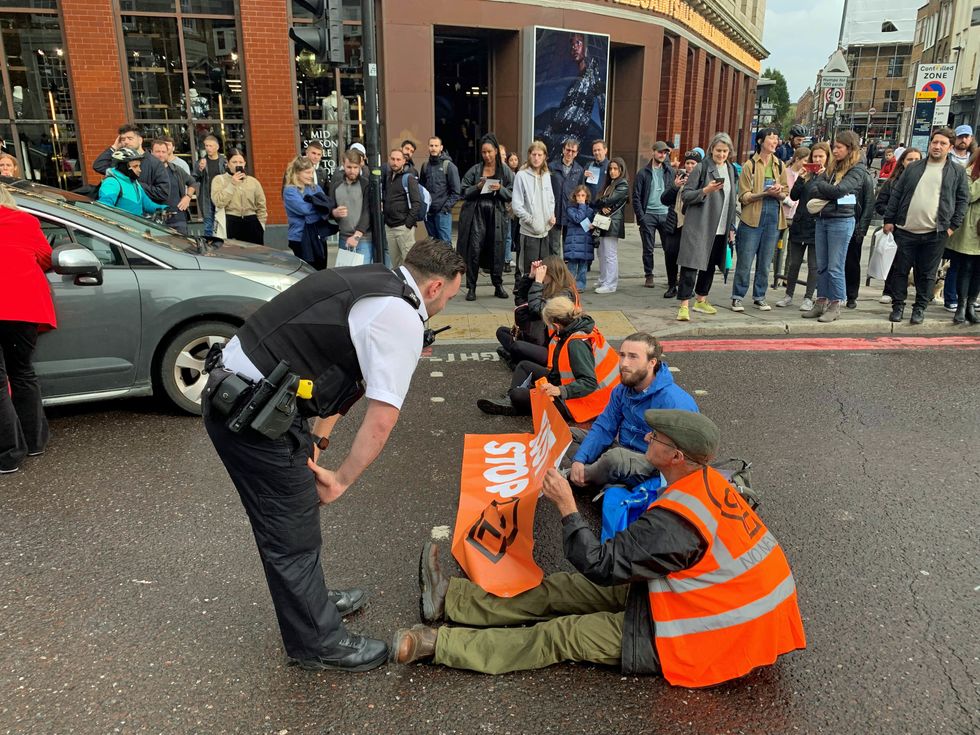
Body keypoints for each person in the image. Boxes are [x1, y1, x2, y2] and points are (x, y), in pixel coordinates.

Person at [394, 409, 807, 686]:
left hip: (703, 635)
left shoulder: (679, 521)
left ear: (676, 455)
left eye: (656, 437)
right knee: (563, 590)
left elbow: (601, 563)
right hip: (692, 598)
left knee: (562, 634)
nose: (647, 437)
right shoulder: (706, 482)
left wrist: (567, 507)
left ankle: (438, 645)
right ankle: (450, 601)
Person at [203, 238, 465, 672]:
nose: (446, 307)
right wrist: (341, 479)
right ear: (435, 287)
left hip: (255, 400)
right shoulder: (400, 316)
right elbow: (382, 417)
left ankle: (313, 602)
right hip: (249, 416)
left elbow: (344, 383)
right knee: (289, 534)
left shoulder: (374, 281)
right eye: (451, 297)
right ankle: (316, 642)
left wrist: (318, 446)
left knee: (297, 513)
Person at [567, 332, 697, 491]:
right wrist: (579, 459)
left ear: (652, 362)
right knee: (566, 434)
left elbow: (685, 458)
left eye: (633, 357)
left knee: (615, 459)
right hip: (622, 451)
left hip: (653, 465)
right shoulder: (622, 390)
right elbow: (604, 427)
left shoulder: (675, 401)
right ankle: (595, 476)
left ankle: (571, 478)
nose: (624, 363)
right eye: (622, 355)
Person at [477, 296, 618, 420]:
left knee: (519, 395)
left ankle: (515, 403)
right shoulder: (577, 326)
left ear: (556, 325)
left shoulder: (576, 343)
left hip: (586, 401)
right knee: (524, 366)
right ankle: (512, 402)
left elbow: (589, 382)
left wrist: (561, 390)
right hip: (574, 385)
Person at [883, 128, 969, 325]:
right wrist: (889, 219)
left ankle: (919, 308)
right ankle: (898, 306)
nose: (937, 146)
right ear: (930, 144)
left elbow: (962, 200)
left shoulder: (956, 172)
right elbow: (897, 194)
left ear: (950, 147)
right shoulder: (914, 168)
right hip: (906, 230)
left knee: (927, 274)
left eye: (942, 143)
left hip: (935, 233)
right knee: (900, 271)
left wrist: (952, 226)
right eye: (935, 142)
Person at [0, 185, 56, 474]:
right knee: (22, 372)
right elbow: (47, 259)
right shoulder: (24, 221)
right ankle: (34, 443)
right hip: (21, 308)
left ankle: (8, 456)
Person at [801, 130, 870, 323]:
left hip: (841, 220)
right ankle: (821, 301)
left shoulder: (857, 170)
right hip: (823, 219)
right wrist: (827, 191)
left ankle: (835, 304)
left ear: (850, 149)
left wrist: (825, 190)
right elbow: (814, 186)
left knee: (835, 266)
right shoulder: (832, 166)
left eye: (839, 147)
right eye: (834, 146)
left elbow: (841, 190)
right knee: (822, 265)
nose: (835, 150)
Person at [675, 132, 739, 321]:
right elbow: (686, 195)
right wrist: (706, 190)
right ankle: (684, 305)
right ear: (711, 149)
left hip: (721, 226)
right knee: (691, 264)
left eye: (725, 151)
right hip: (700, 224)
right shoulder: (701, 168)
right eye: (718, 150)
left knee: (710, 264)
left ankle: (701, 299)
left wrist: (731, 227)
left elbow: (731, 199)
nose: (721, 154)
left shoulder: (731, 169)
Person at [731, 128, 788, 312]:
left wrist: (779, 191)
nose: (774, 141)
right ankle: (738, 296)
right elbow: (744, 196)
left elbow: (787, 192)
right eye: (771, 138)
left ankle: (760, 296)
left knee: (765, 262)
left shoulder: (780, 165)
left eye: (776, 138)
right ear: (760, 141)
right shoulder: (750, 165)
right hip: (752, 217)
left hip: (773, 217)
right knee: (745, 261)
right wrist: (764, 193)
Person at [456, 133, 514, 301]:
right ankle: (471, 287)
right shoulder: (475, 169)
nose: (487, 155)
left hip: (496, 214)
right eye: (483, 152)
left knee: (497, 251)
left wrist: (500, 189)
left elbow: (511, 193)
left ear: (496, 151)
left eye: (489, 151)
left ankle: (498, 284)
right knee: (474, 249)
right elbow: (464, 191)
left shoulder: (505, 171)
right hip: (477, 213)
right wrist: (477, 186)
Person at [496, 255, 579, 369]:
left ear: (552, 274)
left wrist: (538, 282)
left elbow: (537, 309)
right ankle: (517, 356)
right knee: (501, 331)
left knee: (517, 346)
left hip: (552, 347)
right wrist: (531, 277)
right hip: (536, 336)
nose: (542, 275)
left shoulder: (564, 294)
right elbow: (520, 300)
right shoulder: (549, 286)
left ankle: (515, 358)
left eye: (544, 272)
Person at [539, 32, 606, 158]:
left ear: (586, 47)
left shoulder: (592, 72)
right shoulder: (576, 79)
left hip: (570, 138)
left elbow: (602, 104)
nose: (574, 48)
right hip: (559, 137)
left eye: (578, 43)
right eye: (572, 44)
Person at [778, 142, 828, 312]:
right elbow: (794, 195)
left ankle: (808, 297)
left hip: (817, 225)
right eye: (815, 157)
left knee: (814, 265)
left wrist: (824, 177)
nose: (818, 159)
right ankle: (788, 295)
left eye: (821, 156)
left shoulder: (829, 176)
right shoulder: (806, 175)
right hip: (800, 223)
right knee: (794, 262)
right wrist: (801, 177)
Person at [660, 149, 703, 300]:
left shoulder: (701, 180)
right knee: (670, 255)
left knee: (688, 259)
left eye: (693, 164)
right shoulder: (678, 177)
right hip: (674, 223)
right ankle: (672, 285)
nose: (690, 167)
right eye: (688, 163)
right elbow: (664, 200)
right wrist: (675, 187)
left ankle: (687, 288)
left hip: (691, 225)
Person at [632, 141, 675, 288]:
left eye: (665, 153)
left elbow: (674, 192)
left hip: (665, 214)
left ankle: (672, 278)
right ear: (653, 152)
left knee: (669, 248)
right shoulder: (643, 173)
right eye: (660, 152)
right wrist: (641, 217)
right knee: (648, 248)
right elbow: (636, 197)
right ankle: (649, 275)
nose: (662, 155)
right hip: (648, 214)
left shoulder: (670, 171)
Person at [283, 156, 339, 270]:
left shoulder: (315, 188)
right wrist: (321, 208)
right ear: (297, 173)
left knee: (321, 271)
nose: (310, 176)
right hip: (300, 237)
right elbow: (305, 209)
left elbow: (327, 205)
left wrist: (323, 208)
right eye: (307, 172)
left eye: (312, 172)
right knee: (306, 273)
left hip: (318, 236)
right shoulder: (290, 190)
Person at [93, 123, 169, 204]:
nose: (126, 142)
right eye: (123, 139)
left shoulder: (155, 163)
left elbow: (162, 193)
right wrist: (114, 147)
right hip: (121, 211)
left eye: (130, 138)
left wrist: (134, 186)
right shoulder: (120, 162)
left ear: (140, 140)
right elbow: (98, 165)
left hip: (145, 213)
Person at [945, 148, 980, 324]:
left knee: (978, 271)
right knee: (965, 267)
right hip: (970, 228)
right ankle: (961, 305)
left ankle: (972, 304)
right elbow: (970, 195)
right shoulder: (967, 173)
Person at [511, 141, 557, 274]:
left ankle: (538, 295)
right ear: (529, 155)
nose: (536, 158)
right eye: (534, 154)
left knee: (543, 270)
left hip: (545, 231)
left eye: (540, 155)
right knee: (527, 270)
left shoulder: (546, 175)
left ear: (544, 157)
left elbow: (551, 199)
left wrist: (552, 215)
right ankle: (522, 295)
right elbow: (516, 205)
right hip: (529, 233)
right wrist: (531, 220)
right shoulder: (521, 175)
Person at [843, 148, 877, 310]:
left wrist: (861, 229)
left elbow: (869, 204)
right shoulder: (838, 171)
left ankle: (851, 295)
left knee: (852, 262)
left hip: (855, 225)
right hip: (839, 222)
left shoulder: (864, 176)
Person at [210, 149, 267, 245]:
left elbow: (261, 205)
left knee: (255, 256)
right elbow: (218, 202)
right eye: (234, 162)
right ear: (228, 163)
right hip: (231, 221)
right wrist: (232, 184)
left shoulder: (253, 181)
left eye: (240, 162)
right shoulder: (219, 180)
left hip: (252, 222)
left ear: (244, 163)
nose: (238, 164)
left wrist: (261, 224)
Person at [329, 149, 374, 264]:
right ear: (343, 165)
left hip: (363, 239)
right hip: (344, 237)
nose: (352, 171)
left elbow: (367, 212)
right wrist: (334, 212)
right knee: (346, 277)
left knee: (362, 277)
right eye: (349, 167)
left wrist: (357, 236)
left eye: (355, 167)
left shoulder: (365, 184)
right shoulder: (336, 185)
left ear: (360, 166)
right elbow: (330, 208)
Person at [593, 157, 630, 294]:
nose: (612, 171)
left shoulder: (622, 184)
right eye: (610, 169)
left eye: (615, 169)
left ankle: (611, 284)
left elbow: (607, 200)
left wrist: (600, 202)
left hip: (612, 223)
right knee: (602, 252)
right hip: (605, 221)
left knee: (610, 254)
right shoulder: (611, 183)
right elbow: (599, 201)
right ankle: (604, 279)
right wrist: (601, 204)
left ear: (621, 170)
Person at [97, 148, 169, 217]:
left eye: (139, 166)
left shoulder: (135, 183)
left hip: (135, 226)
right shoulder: (112, 183)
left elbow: (148, 205)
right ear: (124, 167)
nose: (139, 170)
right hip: (122, 228)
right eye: (135, 166)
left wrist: (165, 209)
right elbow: (104, 210)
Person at [382, 148, 421, 269]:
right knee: (395, 264)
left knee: (409, 264)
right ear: (389, 159)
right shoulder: (388, 177)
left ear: (404, 161)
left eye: (398, 159)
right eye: (392, 159)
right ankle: (399, 287)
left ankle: (411, 287)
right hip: (390, 227)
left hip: (403, 228)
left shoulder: (408, 178)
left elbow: (416, 203)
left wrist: (408, 224)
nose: (395, 162)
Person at [149, 139, 195, 235]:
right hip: (156, 219)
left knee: (183, 248)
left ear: (168, 153)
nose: (160, 155)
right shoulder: (146, 171)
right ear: (151, 152)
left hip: (178, 218)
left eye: (163, 152)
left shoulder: (176, 170)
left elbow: (193, 183)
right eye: (157, 152)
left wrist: (188, 197)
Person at [419, 136, 461, 243]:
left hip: (443, 213)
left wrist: (445, 209)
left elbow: (456, 192)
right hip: (429, 214)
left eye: (436, 146)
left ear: (441, 148)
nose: (433, 148)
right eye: (431, 145)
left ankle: (448, 261)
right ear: (428, 147)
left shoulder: (449, 166)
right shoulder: (425, 166)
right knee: (433, 245)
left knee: (445, 246)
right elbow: (422, 188)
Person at [549, 137, 585, 250]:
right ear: (563, 150)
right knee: (554, 245)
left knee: (568, 244)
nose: (570, 153)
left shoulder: (579, 170)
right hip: (554, 211)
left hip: (571, 212)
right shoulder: (552, 167)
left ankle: (566, 267)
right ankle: (555, 267)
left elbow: (581, 193)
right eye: (568, 150)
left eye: (573, 151)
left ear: (576, 153)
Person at [195, 135, 227, 240]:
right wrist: (200, 169)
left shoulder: (224, 161)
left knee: (223, 224)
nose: (208, 148)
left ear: (217, 147)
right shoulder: (201, 161)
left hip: (221, 197)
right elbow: (194, 178)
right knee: (208, 225)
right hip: (207, 198)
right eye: (206, 146)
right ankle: (209, 247)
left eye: (210, 146)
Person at [563, 185, 594, 291]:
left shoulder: (590, 210)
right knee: (572, 266)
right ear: (575, 196)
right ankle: (570, 285)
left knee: (583, 267)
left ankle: (580, 286)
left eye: (583, 195)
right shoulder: (570, 209)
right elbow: (578, 218)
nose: (581, 198)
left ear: (587, 197)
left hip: (585, 241)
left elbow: (590, 222)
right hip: (574, 241)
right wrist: (582, 206)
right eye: (578, 195)